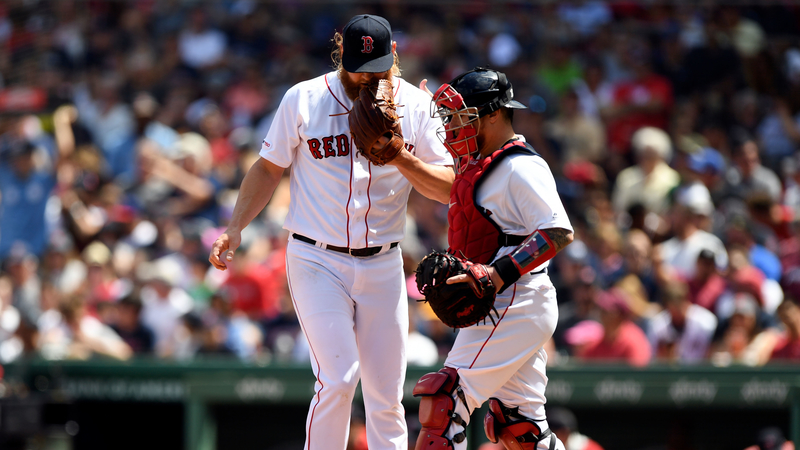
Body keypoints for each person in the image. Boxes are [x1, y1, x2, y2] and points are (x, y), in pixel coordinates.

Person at [208, 14, 454, 450]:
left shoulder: (418, 107)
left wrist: (400, 157)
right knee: (339, 380)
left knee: (386, 398)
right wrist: (236, 226)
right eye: (358, 68)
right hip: (317, 258)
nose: (368, 76)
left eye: (377, 66)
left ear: (394, 55)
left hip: (383, 263)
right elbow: (268, 168)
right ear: (341, 56)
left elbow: (449, 187)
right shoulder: (303, 99)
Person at [413, 67, 574, 450]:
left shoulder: (520, 165)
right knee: (520, 428)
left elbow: (557, 232)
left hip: (515, 297)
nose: (452, 126)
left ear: (493, 114)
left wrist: (496, 275)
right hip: (502, 302)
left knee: (446, 399)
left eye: (461, 116)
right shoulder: (479, 163)